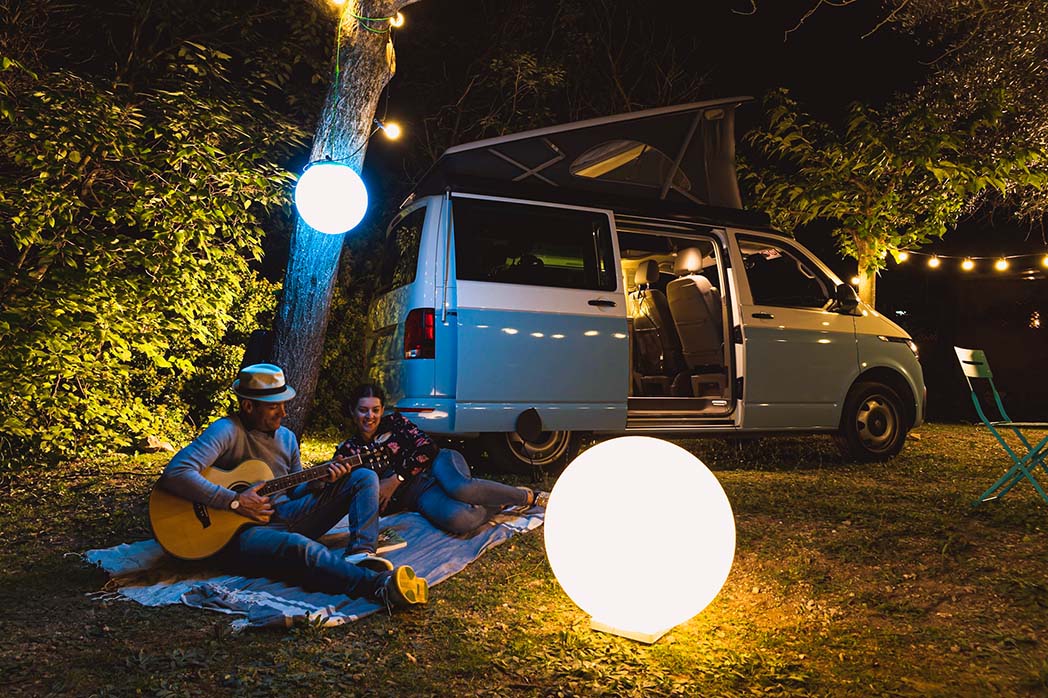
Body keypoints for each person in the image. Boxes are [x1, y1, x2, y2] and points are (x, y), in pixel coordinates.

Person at [156, 364, 428, 610]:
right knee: (300, 548)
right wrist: (234, 501)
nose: (284, 413)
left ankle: (361, 555)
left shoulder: (286, 438)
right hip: (236, 535)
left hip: (286, 515)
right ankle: (377, 585)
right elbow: (176, 473)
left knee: (364, 476)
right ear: (249, 406)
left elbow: (295, 490)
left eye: (284, 404)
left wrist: (321, 481)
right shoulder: (226, 431)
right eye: (274, 406)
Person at [334, 384, 548, 535]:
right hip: (418, 493)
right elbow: (342, 488)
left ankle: (528, 496)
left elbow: (428, 448)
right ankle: (497, 502)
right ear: (353, 412)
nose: (370, 416)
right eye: (363, 410)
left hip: (438, 463)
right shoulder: (349, 451)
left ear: (382, 410)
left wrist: (396, 479)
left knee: (460, 488)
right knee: (459, 520)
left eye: (375, 410)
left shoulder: (395, 422)